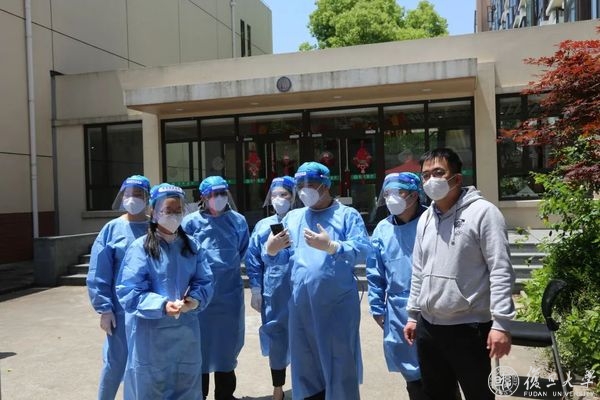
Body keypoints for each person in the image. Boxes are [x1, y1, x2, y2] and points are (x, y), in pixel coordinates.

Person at [404, 148, 516, 400]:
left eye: (438, 172)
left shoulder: (484, 213)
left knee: (478, 394)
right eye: (425, 175)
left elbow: (500, 269)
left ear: (456, 178)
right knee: (437, 394)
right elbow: (418, 269)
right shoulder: (425, 218)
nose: (431, 180)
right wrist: (413, 315)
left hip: (469, 327)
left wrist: (501, 324)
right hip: (429, 327)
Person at [264, 161, 371, 400]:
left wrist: (333, 246)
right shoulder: (293, 217)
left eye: (311, 184)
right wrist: (271, 250)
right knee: (305, 364)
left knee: (339, 361)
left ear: (326, 185)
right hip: (301, 306)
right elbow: (281, 257)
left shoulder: (347, 215)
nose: (305, 190)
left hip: (336, 307)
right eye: (300, 185)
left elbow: (363, 250)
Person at [116, 183, 214, 399]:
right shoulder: (140, 248)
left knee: (187, 387)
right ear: (154, 212)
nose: (174, 215)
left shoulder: (192, 246)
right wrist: (161, 305)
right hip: (151, 337)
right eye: (168, 210)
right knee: (151, 388)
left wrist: (194, 300)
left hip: (186, 334)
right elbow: (129, 291)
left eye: (178, 210)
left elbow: (204, 280)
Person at [182, 176, 249, 400]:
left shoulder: (237, 221)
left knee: (226, 348)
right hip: (199, 295)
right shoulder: (190, 223)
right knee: (199, 347)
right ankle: (198, 395)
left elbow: (242, 250)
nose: (218, 198)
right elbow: (183, 255)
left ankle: (225, 395)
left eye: (222, 193)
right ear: (203, 196)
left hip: (229, 295)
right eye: (212, 194)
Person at [86, 174, 151, 400]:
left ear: (148, 198)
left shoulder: (156, 228)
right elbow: (99, 271)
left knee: (146, 363)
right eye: (129, 194)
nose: (133, 199)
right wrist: (104, 308)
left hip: (150, 308)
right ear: (122, 196)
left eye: (139, 194)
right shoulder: (112, 229)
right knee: (115, 363)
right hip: (120, 311)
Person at [366, 172, 429, 400]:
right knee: (411, 374)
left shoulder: (431, 221)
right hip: (397, 309)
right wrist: (377, 307)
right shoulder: (383, 229)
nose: (392, 198)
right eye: (388, 193)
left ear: (414, 194)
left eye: (399, 192)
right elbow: (375, 272)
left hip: (431, 305)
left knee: (438, 370)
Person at [246, 176, 296, 400]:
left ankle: (306, 385)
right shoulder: (262, 226)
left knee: (305, 338)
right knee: (277, 339)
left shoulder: (302, 221)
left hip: (301, 289)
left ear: (293, 197)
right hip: (274, 291)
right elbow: (253, 260)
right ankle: (278, 388)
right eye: (274, 195)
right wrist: (256, 289)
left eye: (284, 194)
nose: (279, 199)